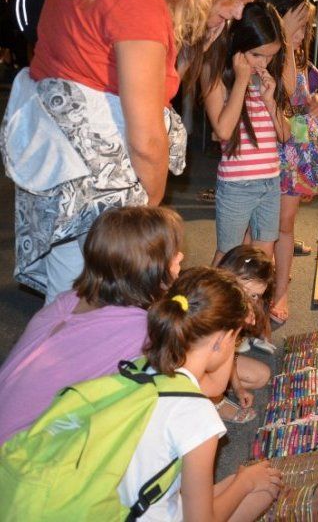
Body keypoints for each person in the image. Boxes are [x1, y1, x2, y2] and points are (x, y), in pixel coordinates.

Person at [0, 0, 258, 303]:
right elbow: (146, 137)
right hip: (92, 184)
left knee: (68, 297)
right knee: (94, 306)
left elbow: (155, 85)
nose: (237, 12)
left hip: (58, 166)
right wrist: (150, 218)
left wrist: (193, 44)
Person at [0, 206, 184, 445]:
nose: (180, 256)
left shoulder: (69, 299)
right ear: (151, 267)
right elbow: (181, 383)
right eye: (174, 253)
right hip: (22, 459)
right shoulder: (141, 332)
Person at [120, 267, 283, 520]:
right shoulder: (198, 415)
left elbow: (205, 386)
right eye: (235, 339)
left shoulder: (139, 365)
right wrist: (245, 483)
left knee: (240, 480)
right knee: (261, 489)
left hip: (115, 505)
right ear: (221, 340)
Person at [258, 0, 318, 325]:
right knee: (260, 229)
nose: (302, 34)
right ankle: (258, 285)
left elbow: (302, 102)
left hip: (294, 155)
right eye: (296, 26)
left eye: (305, 28)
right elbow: (287, 95)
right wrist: (282, 37)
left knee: (284, 227)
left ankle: (280, 288)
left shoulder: (296, 57)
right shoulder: (270, 56)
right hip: (271, 154)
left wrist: (317, 105)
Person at [202, 2, 287, 270]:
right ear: (238, 46)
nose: (264, 64)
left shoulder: (265, 80)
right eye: (257, 55)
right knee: (228, 256)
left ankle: (251, 310)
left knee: (263, 257)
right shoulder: (217, 75)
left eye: (270, 57)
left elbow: (284, 135)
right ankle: (208, 309)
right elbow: (224, 130)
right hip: (237, 185)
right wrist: (241, 80)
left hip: (270, 182)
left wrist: (270, 101)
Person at [214, 245, 275, 423]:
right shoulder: (210, 310)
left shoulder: (236, 312)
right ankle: (211, 401)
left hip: (216, 357)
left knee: (261, 375)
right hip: (183, 368)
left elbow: (229, 354)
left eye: (254, 296)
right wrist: (217, 397)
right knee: (215, 380)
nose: (247, 301)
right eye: (242, 289)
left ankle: (212, 392)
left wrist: (238, 387)